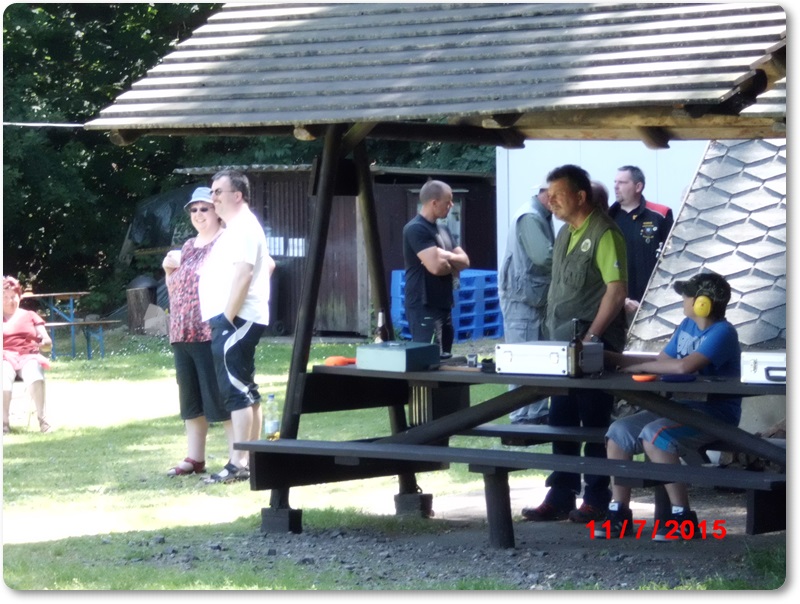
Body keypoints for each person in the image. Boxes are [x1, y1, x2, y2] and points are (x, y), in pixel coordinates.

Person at [521, 164, 627, 524]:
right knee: (561, 419)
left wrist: (592, 337)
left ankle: (596, 497)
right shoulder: (566, 231)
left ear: (580, 197)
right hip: (561, 346)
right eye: (548, 195)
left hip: (592, 347)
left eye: (558, 195)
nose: (550, 201)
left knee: (594, 421)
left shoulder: (605, 233)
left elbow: (616, 292)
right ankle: (561, 493)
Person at [599, 272, 740, 541]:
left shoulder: (723, 332)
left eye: (687, 297)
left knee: (656, 436)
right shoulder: (686, 326)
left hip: (714, 414)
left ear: (703, 303)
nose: (683, 301)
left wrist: (640, 367)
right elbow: (662, 361)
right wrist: (612, 358)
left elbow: (685, 366)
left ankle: (682, 517)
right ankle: (619, 512)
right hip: (677, 408)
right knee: (618, 432)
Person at [198, 169, 275, 484]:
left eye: (218, 191)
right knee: (245, 389)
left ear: (238, 195)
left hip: (237, 319)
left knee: (237, 391)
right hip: (236, 318)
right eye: (212, 191)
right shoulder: (236, 227)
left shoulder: (243, 226)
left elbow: (244, 274)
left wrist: (227, 318)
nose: (213, 198)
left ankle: (238, 463)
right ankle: (252, 458)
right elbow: (264, 265)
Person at [162, 186, 233, 476]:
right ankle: (195, 458)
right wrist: (168, 271)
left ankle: (238, 458)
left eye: (205, 208)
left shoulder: (225, 242)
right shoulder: (188, 247)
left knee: (220, 397)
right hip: (182, 332)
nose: (199, 214)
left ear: (217, 211)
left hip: (209, 331)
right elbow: (175, 289)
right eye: (194, 209)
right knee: (190, 400)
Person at [499, 183, 554, 425]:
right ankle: (521, 418)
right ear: (549, 194)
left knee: (538, 358)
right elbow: (545, 257)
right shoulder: (530, 216)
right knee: (522, 359)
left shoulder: (540, 215)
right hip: (523, 302)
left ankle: (536, 414)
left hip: (532, 300)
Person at [402, 180, 470, 359]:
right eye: (448, 201)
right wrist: (452, 265)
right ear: (434, 203)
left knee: (445, 356)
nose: (451, 205)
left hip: (444, 303)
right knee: (428, 358)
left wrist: (445, 255)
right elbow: (436, 268)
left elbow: (465, 261)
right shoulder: (416, 229)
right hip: (423, 304)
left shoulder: (443, 229)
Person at [608, 165, 674, 324]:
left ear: (638, 187)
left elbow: (673, 259)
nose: (616, 186)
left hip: (654, 304)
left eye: (622, 182)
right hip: (615, 305)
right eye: (615, 182)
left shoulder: (660, 214)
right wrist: (621, 300)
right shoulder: (606, 218)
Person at [3, 276, 52, 434]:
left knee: (35, 373)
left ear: (20, 296)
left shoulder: (30, 315)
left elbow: (47, 341)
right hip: (4, 356)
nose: (10, 301)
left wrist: (45, 343)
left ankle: (44, 422)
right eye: (5, 297)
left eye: (13, 296)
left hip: (28, 355)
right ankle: (3, 424)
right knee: (3, 375)